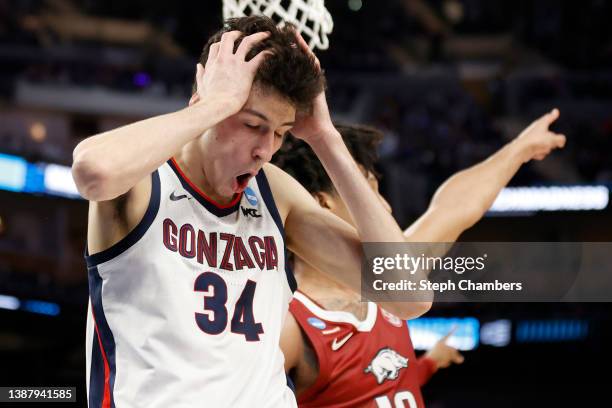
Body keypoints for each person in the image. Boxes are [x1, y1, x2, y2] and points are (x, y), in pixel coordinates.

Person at [71, 16, 431, 408]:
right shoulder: (145, 181)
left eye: (279, 132)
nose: (265, 149)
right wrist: (212, 105)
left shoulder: (274, 192)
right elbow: (93, 172)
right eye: (251, 124)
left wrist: (323, 137)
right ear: (204, 99)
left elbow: (409, 296)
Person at [275, 113, 566, 407]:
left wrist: (520, 148)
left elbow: (453, 207)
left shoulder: (393, 280)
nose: (386, 206)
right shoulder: (288, 323)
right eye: (370, 189)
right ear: (322, 203)